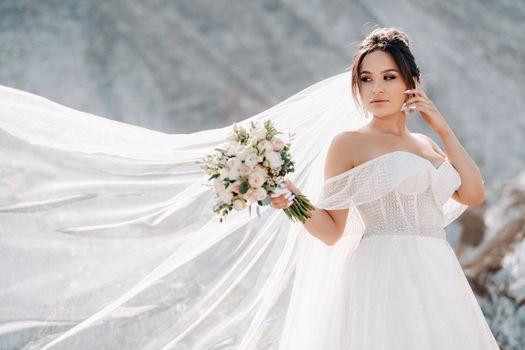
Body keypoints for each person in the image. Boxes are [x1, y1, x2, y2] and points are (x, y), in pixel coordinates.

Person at [0, 26, 499, 349]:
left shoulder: (426, 145)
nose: (377, 89)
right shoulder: (348, 143)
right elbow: (331, 231)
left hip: (435, 273)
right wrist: (285, 198)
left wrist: (442, 126)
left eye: (388, 76)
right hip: (380, 270)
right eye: (367, 79)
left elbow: (472, 194)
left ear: (411, 79)